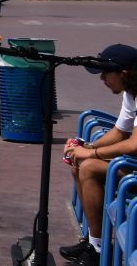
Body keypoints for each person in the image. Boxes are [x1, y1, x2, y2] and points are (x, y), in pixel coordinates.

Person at [61, 44, 137, 265]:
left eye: (105, 73)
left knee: (90, 167)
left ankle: (97, 248)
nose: (101, 78)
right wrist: (86, 147)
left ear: (124, 73)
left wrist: (91, 154)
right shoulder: (131, 91)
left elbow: (134, 144)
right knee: (79, 161)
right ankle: (94, 240)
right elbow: (120, 132)